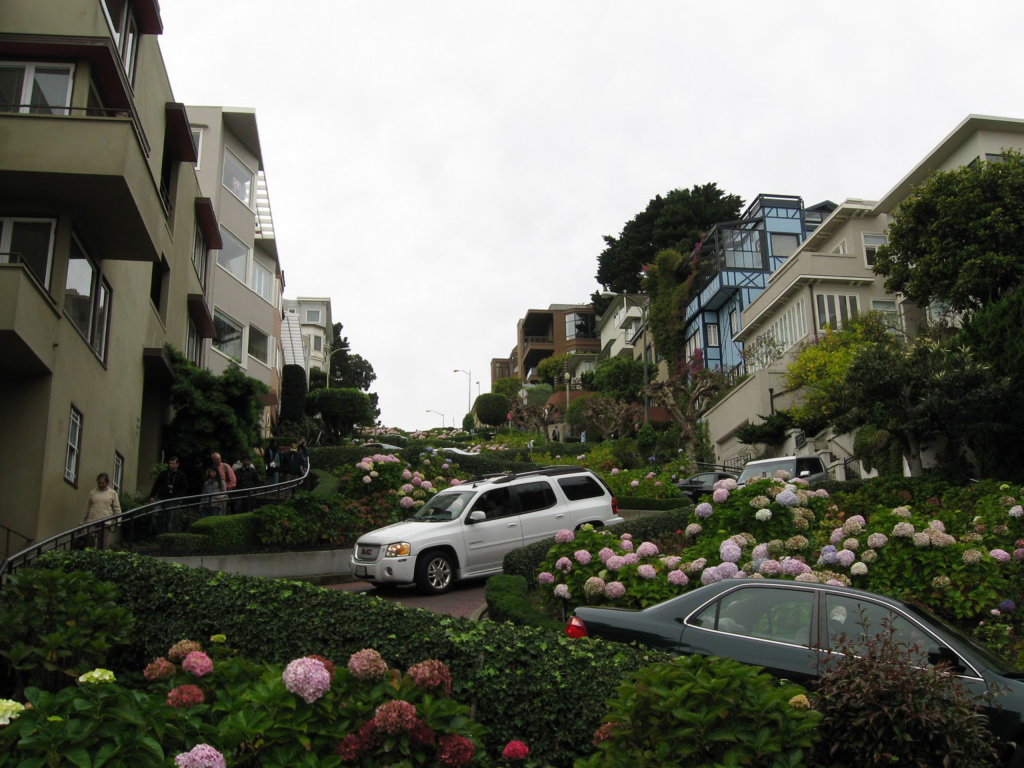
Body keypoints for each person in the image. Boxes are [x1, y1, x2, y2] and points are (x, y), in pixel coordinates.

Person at [149, 456, 189, 532]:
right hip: (162, 496)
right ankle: (156, 531)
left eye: (173, 464)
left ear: (177, 464)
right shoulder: (163, 474)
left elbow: (184, 487)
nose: (171, 465)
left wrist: (179, 497)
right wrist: (151, 496)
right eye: (170, 463)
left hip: (172, 498)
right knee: (155, 514)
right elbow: (157, 485)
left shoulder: (181, 475)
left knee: (170, 518)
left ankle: (168, 534)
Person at [82, 472, 121, 548]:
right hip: (92, 520)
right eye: (99, 483)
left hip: (106, 521)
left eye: (103, 483)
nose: (101, 485)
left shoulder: (112, 493)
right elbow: (86, 508)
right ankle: (90, 553)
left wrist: (118, 520)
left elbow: (116, 508)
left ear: (107, 483)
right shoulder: (92, 493)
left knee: (103, 541)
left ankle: (101, 554)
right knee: (90, 537)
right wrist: (81, 521)